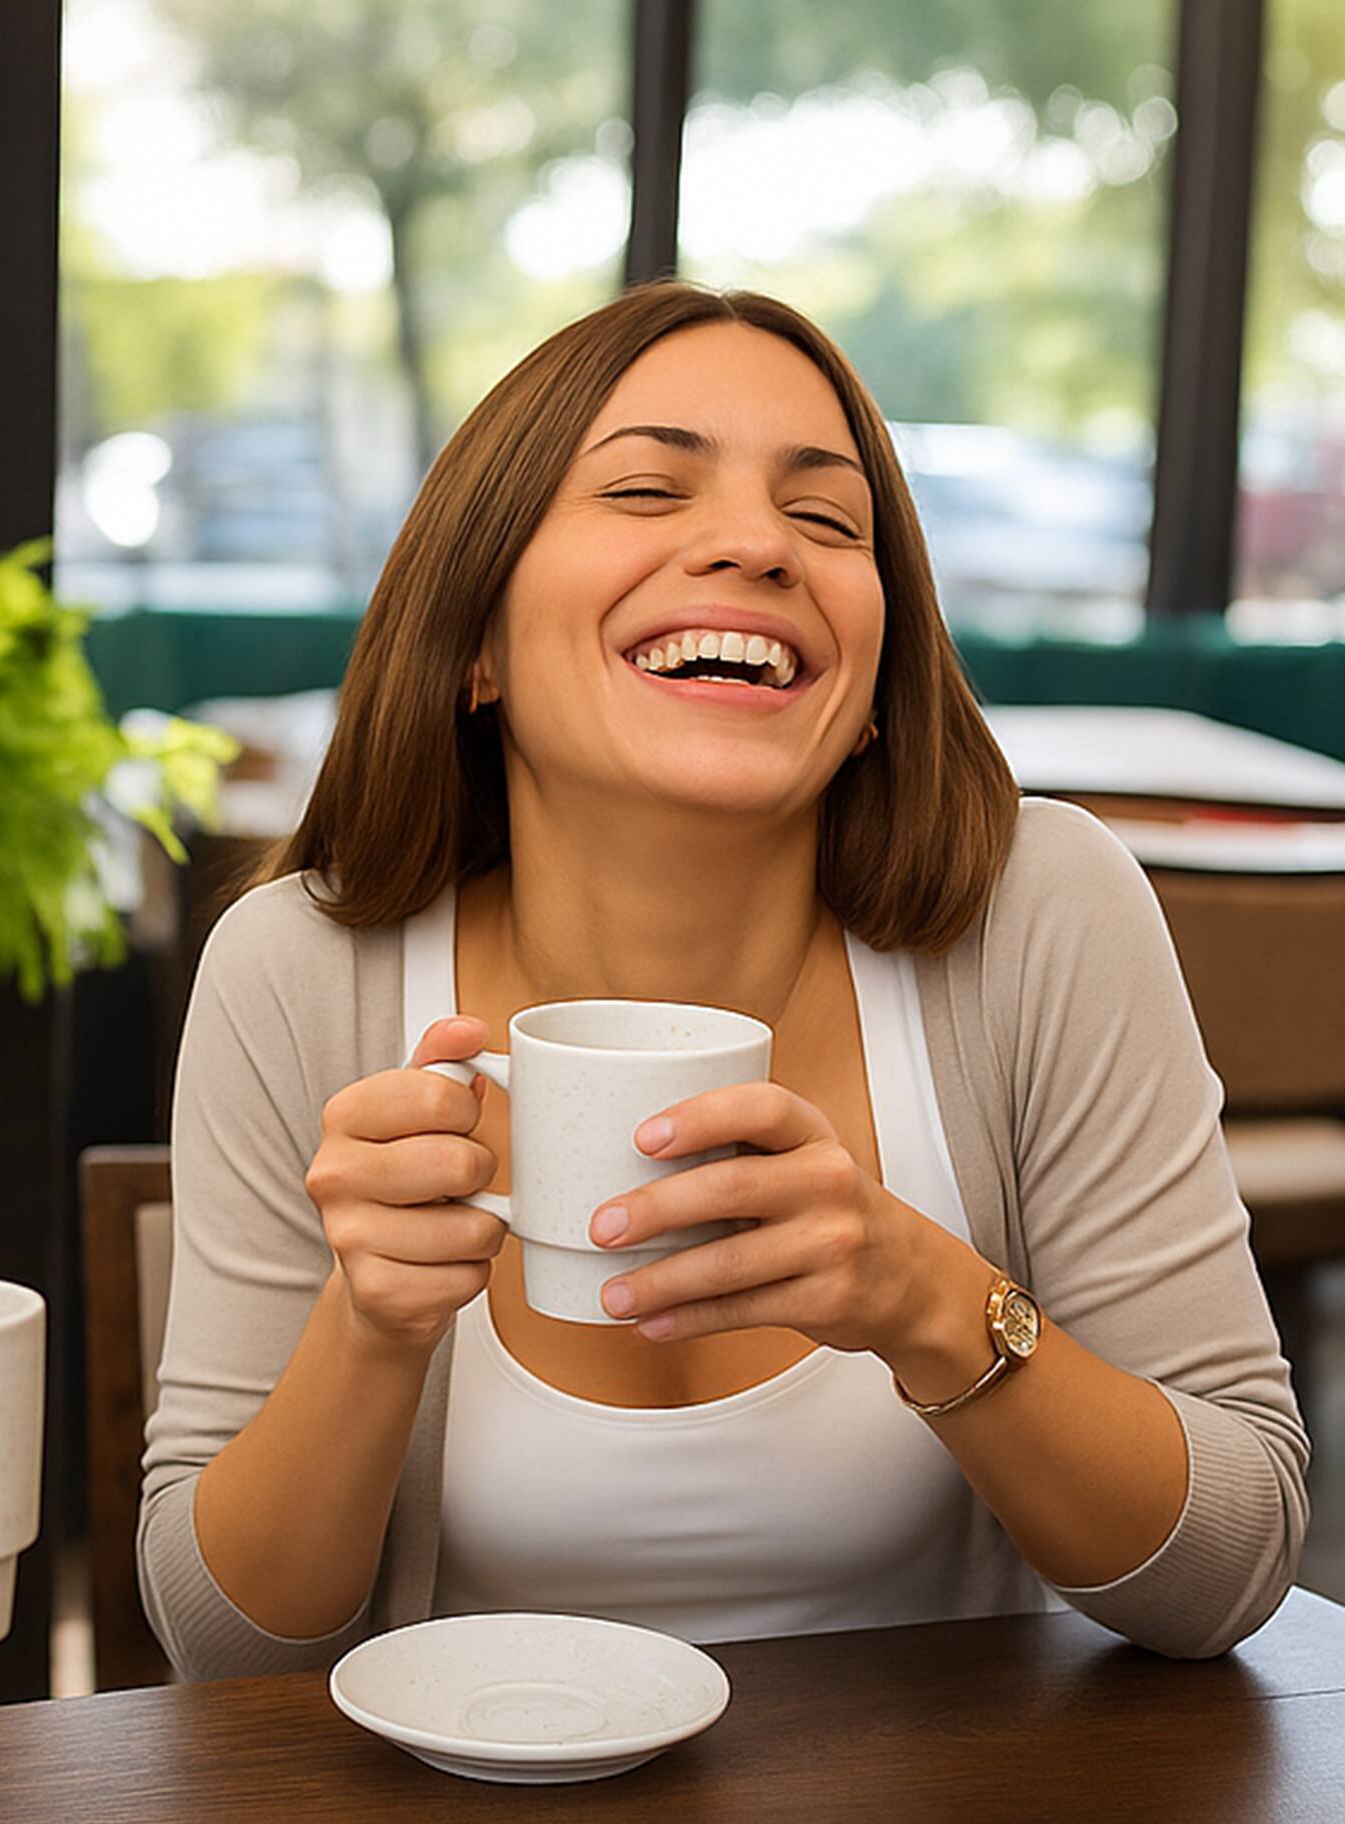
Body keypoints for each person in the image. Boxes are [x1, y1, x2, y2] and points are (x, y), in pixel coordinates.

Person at [140, 282, 1309, 1683]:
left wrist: (928, 1303)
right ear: (476, 643)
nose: (757, 545)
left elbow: (1233, 1568)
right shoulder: (300, 970)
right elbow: (221, 1655)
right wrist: (373, 1326)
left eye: (827, 521)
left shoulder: (1039, 914)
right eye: (645, 488)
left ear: (873, 676)